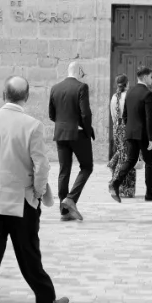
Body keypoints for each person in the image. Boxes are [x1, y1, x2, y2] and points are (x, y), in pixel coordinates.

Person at [0, 77, 72, 303]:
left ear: (3, 93)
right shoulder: (32, 125)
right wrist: (37, 193)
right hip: (22, 200)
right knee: (29, 255)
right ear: (27, 97)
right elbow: (41, 165)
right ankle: (45, 301)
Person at [47, 61, 95, 221]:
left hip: (60, 133)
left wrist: (63, 124)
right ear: (79, 70)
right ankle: (71, 199)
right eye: (83, 71)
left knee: (64, 170)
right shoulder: (82, 87)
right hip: (78, 134)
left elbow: (52, 114)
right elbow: (85, 113)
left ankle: (64, 211)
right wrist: (88, 130)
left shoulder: (55, 88)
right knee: (87, 167)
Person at [109, 67, 152, 203]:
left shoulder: (129, 92)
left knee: (130, 160)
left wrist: (130, 128)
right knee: (149, 163)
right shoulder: (148, 94)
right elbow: (149, 118)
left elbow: (125, 115)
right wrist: (151, 139)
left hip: (130, 132)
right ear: (146, 77)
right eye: (151, 77)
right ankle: (149, 193)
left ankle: (115, 183)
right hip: (142, 134)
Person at [106, 74, 133, 194]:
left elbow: (113, 116)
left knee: (122, 154)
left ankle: (113, 163)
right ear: (127, 84)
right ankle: (123, 187)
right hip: (127, 128)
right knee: (128, 157)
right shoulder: (128, 96)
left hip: (117, 128)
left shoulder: (114, 97)